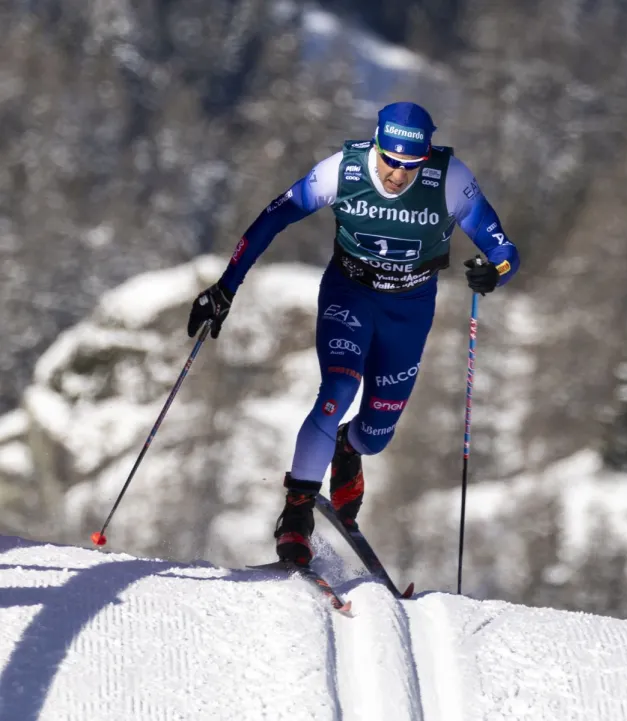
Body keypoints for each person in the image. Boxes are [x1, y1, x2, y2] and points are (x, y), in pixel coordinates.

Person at [186, 101, 519, 565]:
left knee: (377, 433)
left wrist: (495, 272)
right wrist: (226, 287)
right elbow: (273, 216)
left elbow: (502, 247)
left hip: (410, 308)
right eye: (390, 161)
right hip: (350, 295)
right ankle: (297, 512)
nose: (398, 176)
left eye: (410, 165)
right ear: (377, 145)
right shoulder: (341, 169)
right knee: (339, 386)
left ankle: (348, 446)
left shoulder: (450, 178)